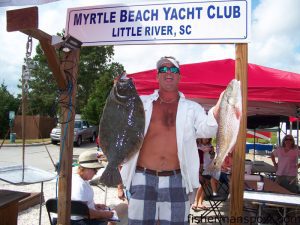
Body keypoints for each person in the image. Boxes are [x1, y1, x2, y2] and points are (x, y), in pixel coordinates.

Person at [120, 56, 221, 225]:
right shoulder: (141, 103)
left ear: (179, 77)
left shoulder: (192, 108)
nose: (168, 72)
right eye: (163, 69)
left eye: (173, 69)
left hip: (178, 178)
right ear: (157, 76)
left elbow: (207, 129)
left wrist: (220, 107)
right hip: (141, 176)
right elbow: (121, 126)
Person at [71, 150, 116, 225]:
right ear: (85, 168)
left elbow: (81, 206)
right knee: (111, 221)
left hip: (78, 219)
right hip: (78, 222)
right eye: (94, 170)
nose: (96, 173)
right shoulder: (79, 184)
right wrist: (105, 214)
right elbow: (84, 213)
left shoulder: (79, 179)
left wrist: (94, 206)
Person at [192, 138, 216, 211]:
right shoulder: (197, 145)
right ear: (201, 138)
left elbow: (212, 157)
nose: (206, 139)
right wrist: (203, 150)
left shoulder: (210, 146)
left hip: (209, 167)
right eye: (204, 138)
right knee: (201, 184)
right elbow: (195, 154)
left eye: (207, 138)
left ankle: (200, 203)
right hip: (201, 166)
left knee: (205, 185)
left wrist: (212, 152)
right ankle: (195, 202)